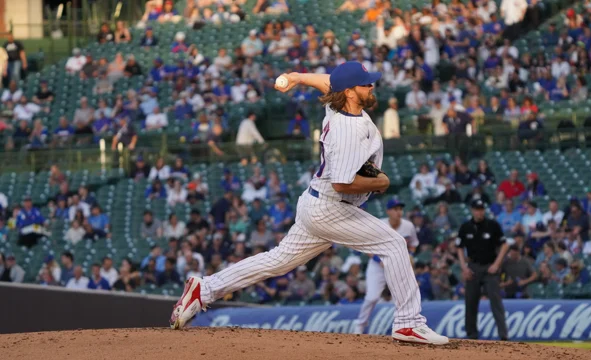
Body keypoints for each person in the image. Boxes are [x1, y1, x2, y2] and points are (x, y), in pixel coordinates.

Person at [170, 61, 449, 345]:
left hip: (316, 204)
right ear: (351, 92)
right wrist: (381, 183)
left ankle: (204, 289)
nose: (371, 86)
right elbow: (342, 182)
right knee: (394, 244)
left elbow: (330, 82)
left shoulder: (338, 104)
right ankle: (409, 323)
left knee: (277, 261)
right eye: (365, 83)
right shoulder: (348, 131)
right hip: (332, 206)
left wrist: (297, 77)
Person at [354, 199, 419, 334]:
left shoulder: (408, 226)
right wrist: (380, 260)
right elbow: (366, 247)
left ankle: (404, 327)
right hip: (378, 266)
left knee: (402, 298)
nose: (398, 212)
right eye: (395, 209)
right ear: (388, 211)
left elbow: (413, 243)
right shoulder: (380, 225)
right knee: (372, 297)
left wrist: (410, 255)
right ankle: (360, 325)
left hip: (397, 266)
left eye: (400, 209)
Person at [456, 199, 509, 341]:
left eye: (481, 209)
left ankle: (503, 335)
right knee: (470, 302)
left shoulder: (492, 225)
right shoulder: (466, 227)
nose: (479, 212)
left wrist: (497, 264)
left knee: (496, 301)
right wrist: (463, 267)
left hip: (489, 267)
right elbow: (459, 247)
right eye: (477, 209)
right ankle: (471, 335)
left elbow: (504, 245)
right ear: (472, 210)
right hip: (473, 268)